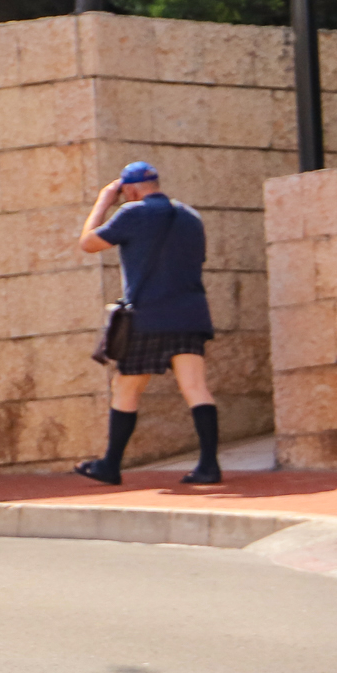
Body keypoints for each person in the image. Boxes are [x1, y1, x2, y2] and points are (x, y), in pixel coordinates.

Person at [73, 161, 222, 484]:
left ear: (129, 189)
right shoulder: (190, 217)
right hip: (190, 314)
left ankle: (110, 465)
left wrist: (103, 201)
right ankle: (209, 465)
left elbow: (88, 243)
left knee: (126, 388)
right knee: (196, 388)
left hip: (149, 316)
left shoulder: (132, 213)